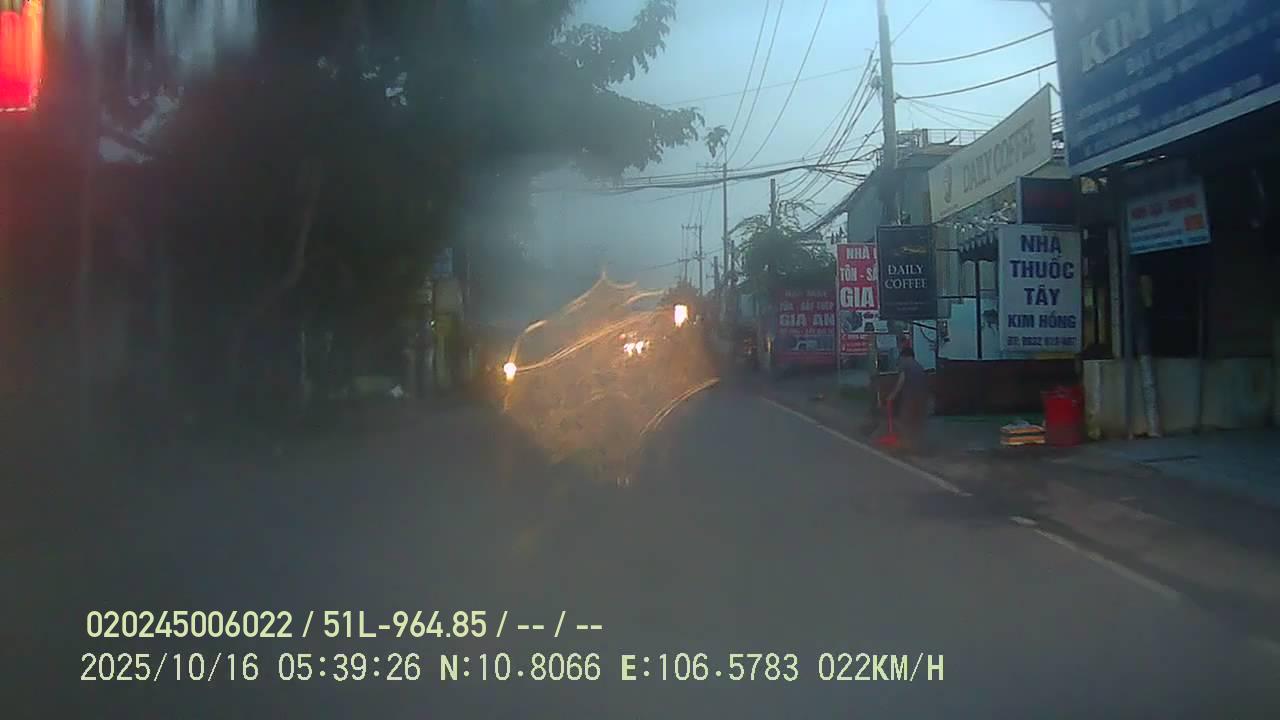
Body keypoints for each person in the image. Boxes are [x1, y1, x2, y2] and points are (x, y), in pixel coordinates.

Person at [884, 344, 929, 451]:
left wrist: (892, 396)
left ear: (904, 356)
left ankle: (907, 444)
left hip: (910, 398)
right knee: (917, 421)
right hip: (923, 398)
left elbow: (901, 381)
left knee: (906, 421)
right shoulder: (919, 366)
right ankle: (919, 444)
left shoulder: (905, 365)